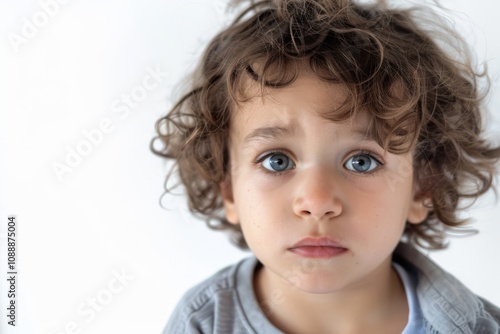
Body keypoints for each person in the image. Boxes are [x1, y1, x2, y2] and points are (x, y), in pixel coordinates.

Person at [152, 0, 500, 332]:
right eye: (277, 161)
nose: (317, 201)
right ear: (228, 188)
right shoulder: (201, 324)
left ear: (423, 187)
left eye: (361, 162)